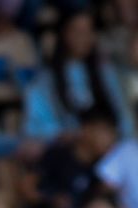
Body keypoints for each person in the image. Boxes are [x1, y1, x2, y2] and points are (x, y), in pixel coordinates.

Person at [22, 8, 130, 143]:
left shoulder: (106, 73)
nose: (84, 38)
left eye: (89, 31)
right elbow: (35, 129)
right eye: (77, 32)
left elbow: (123, 120)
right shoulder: (46, 80)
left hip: (108, 151)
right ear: (64, 34)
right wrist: (71, 136)